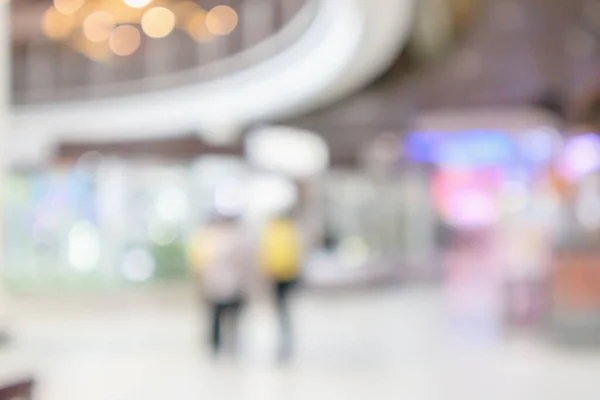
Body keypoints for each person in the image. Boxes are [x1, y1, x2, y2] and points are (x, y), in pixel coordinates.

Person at [187, 214, 249, 356]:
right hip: (225, 284)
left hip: (221, 284)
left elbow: (198, 264)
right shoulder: (232, 238)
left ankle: (220, 344)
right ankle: (223, 344)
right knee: (223, 317)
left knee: (221, 316)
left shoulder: (206, 239)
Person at [258, 212, 302, 361]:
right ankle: (285, 337)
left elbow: (265, 257)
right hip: (289, 276)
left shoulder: (272, 234)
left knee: (281, 310)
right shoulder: (290, 231)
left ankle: (284, 338)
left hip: (277, 277)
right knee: (284, 311)